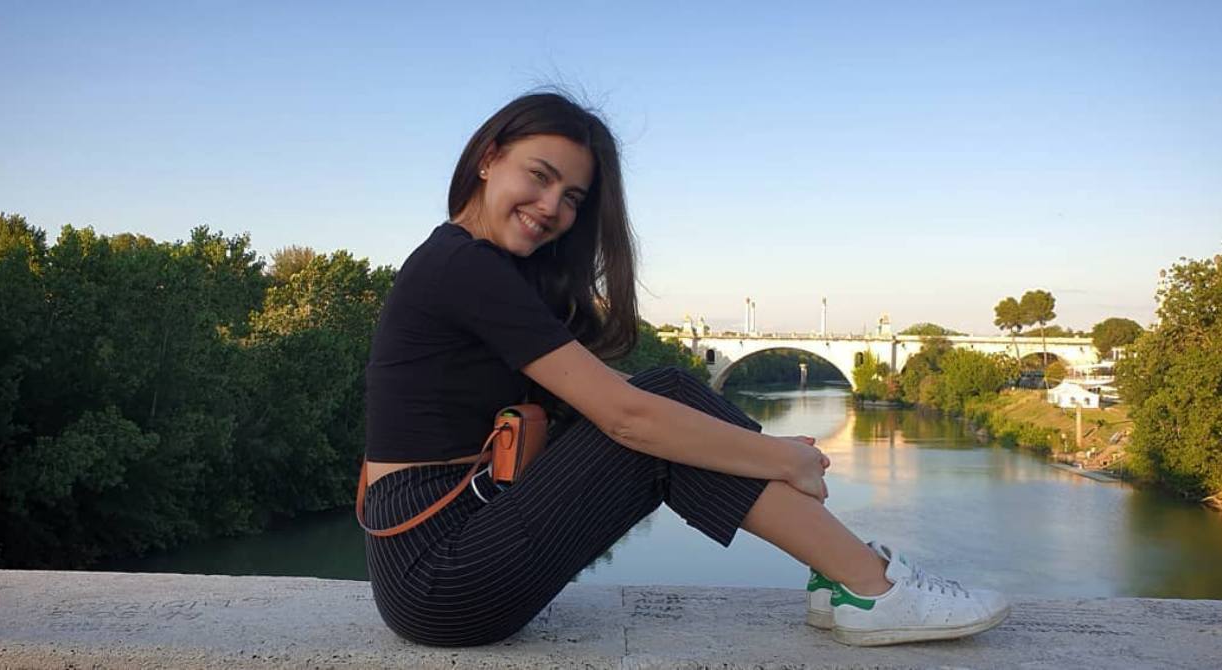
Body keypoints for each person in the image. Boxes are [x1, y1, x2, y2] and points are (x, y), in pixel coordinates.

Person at [360, 92, 1009, 648]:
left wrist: (760, 452)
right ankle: (869, 585)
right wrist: (781, 458)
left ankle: (845, 576)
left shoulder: (482, 268)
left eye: (572, 197)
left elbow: (604, 405)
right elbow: (626, 418)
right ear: (488, 157)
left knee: (667, 408)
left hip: (454, 550)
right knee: (659, 410)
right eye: (540, 175)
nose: (552, 205)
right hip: (437, 571)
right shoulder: (462, 265)